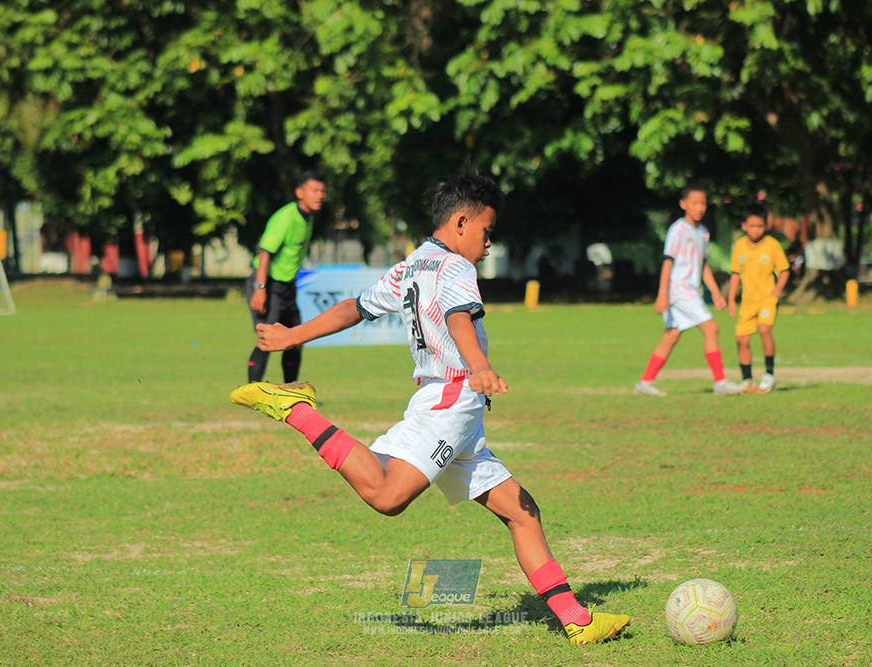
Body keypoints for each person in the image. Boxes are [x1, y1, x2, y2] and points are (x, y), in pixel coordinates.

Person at [230, 174, 630, 645]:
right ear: (461, 221)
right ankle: (299, 411)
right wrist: (480, 366)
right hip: (452, 402)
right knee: (387, 495)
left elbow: (355, 308)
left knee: (522, 512)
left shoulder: (412, 265)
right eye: (486, 231)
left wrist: (292, 336)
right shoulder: (458, 268)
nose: (487, 244)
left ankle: (576, 620)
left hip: (447, 406)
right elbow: (459, 316)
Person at [634, 183, 741, 397]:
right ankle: (720, 381)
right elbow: (668, 262)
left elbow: (702, 265)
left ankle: (644, 382)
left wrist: (716, 293)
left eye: (703, 203)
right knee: (711, 328)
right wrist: (662, 295)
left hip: (692, 292)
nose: (700, 207)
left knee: (671, 335)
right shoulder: (678, 230)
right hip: (679, 292)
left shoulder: (702, 232)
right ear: (684, 204)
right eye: (695, 203)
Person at [245, 170, 326, 384]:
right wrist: (259, 289)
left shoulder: (307, 218)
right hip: (268, 284)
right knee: (266, 338)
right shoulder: (286, 217)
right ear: (300, 192)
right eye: (314, 190)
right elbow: (265, 253)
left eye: (322, 191)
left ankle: (290, 390)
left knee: (296, 338)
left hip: (287, 287)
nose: (320, 195)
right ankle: (253, 391)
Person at [728, 203, 790, 393]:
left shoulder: (772, 245)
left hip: (767, 298)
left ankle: (769, 374)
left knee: (764, 330)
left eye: (760, 226)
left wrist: (778, 288)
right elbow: (736, 275)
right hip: (748, 302)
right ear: (744, 225)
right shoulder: (739, 246)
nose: (756, 230)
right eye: (752, 226)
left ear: (766, 226)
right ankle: (747, 379)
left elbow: (785, 270)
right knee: (741, 340)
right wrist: (731, 300)